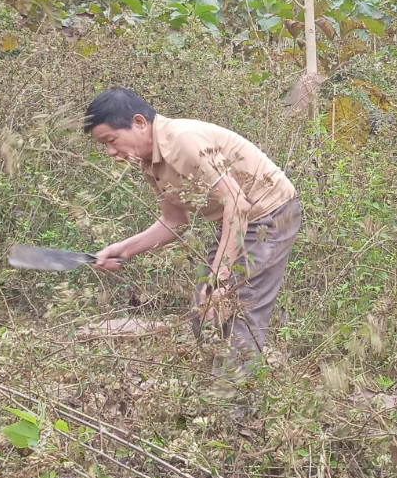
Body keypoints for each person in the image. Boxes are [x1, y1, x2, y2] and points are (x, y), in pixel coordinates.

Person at [82, 87, 302, 376]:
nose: (110, 152)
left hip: (271, 214)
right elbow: (174, 221)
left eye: (111, 140)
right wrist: (123, 250)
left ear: (139, 122)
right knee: (204, 308)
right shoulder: (149, 160)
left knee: (237, 312)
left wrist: (220, 277)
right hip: (237, 220)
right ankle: (215, 387)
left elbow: (237, 204)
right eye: (104, 146)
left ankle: (233, 407)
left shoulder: (182, 142)